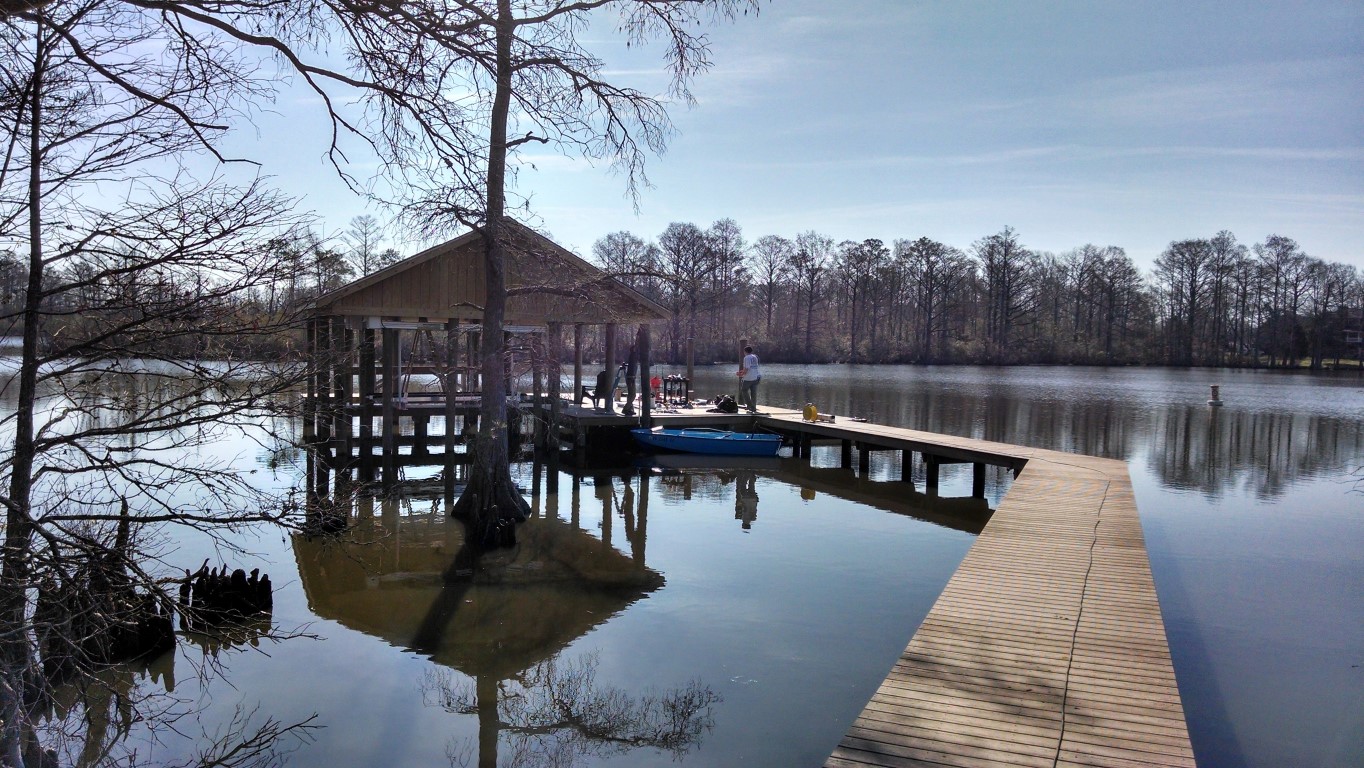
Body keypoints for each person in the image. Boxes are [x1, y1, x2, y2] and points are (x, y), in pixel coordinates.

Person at [736, 345, 761, 413]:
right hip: (756, 377)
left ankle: (750, 406)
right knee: (753, 393)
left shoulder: (746, 357)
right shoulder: (755, 357)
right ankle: (754, 407)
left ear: (745, 351)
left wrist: (741, 374)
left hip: (749, 378)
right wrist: (741, 371)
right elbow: (751, 367)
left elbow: (747, 368)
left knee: (744, 390)